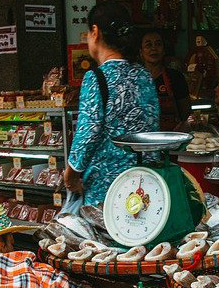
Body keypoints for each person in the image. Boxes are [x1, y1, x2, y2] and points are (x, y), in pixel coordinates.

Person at [64, 1, 160, 206]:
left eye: (88, 33)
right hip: (146, 183)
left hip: (107, 188)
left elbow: (88, 132)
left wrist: (71, 174)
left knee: (105, 235)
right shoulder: (144, 75)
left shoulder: (96, 78)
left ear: (95, 32)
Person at [140, 30, 191, 131]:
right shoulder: (135, 78)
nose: (154, 48)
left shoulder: (175, 77)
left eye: (158, 44)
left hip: (171, 139)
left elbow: (185, 112)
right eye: (148, 45)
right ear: (141, 52)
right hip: (142, 139)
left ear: (163, 50)